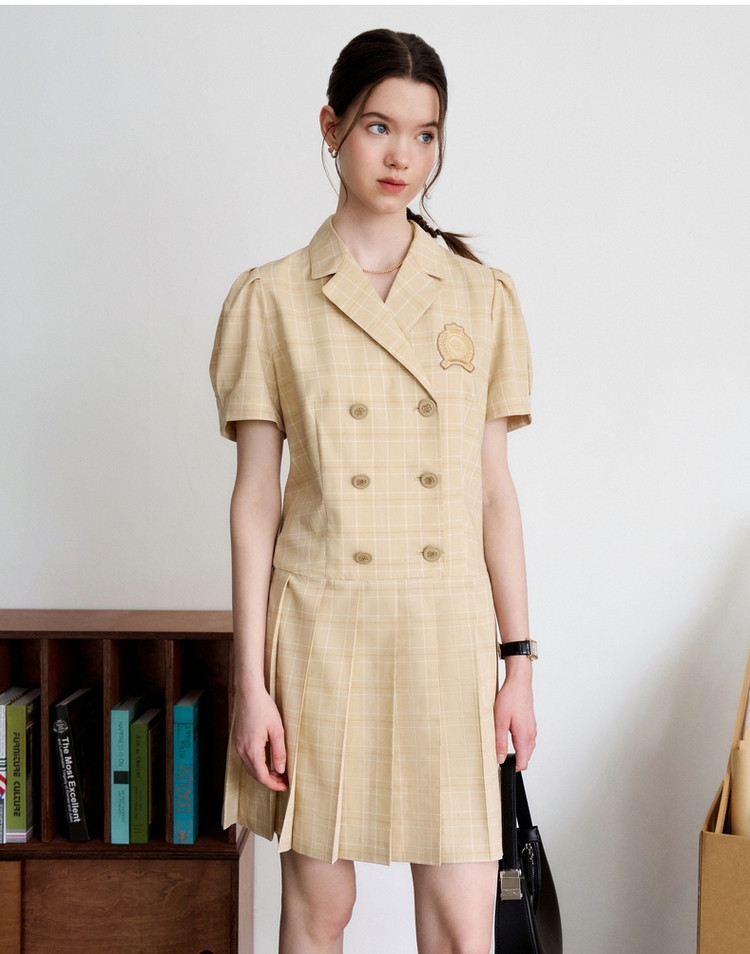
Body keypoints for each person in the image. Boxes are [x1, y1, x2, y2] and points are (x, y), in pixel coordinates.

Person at [210, 28, 537, 954]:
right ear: (332, 128)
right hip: (321, 630)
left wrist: (519, 663)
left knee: (463, 926)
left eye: (425, 135)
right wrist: (250, 685)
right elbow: (255, 502)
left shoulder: (482, 296)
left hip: (445, 631)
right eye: (378, 127)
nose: (403, 157)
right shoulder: (271, 297)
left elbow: (494, 493)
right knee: (320, 912)